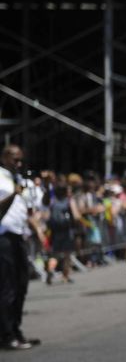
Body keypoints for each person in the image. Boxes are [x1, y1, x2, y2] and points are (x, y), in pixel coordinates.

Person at [0, 145, 42, 350]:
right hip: (3, 237)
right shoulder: (1, 177)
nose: (18, 164)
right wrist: (14, 194)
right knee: (7, 288)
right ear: (4, 158)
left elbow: (26, 210)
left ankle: (16, 330)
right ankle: (6, 335)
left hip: (19, 236)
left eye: (20, 161)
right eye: (14, 160)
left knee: (21, 286)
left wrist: (36, 230)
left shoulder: (18, 180)